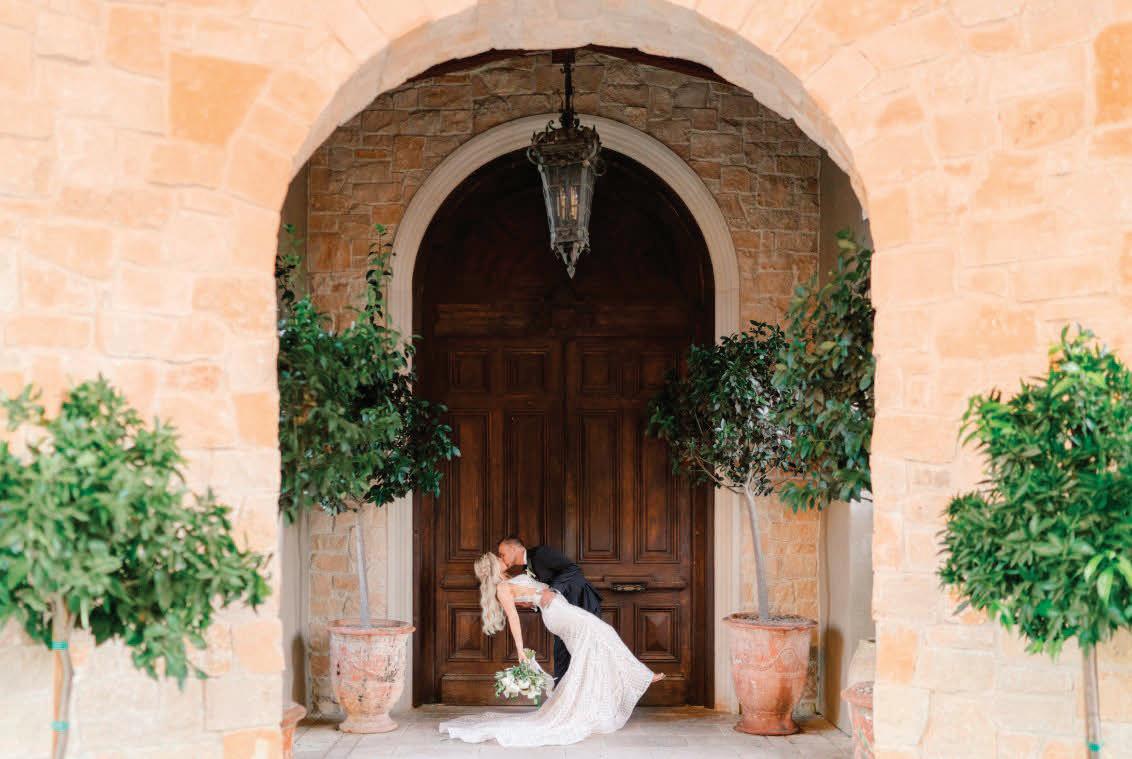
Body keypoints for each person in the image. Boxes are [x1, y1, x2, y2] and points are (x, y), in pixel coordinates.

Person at [438, 552, 665, 747]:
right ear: (493, 565)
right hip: (558, 613)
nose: (501, 557)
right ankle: (640, 675)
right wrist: (520, 650)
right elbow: (514, 619)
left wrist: (531, 598)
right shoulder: (502, 588)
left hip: (558, 610)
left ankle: (592, 706)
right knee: (604, 632)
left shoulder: (508, 581)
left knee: (589, 653)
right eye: (497, 557)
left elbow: (531, 597)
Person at [496, 536, 601, 682]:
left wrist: (553, 590)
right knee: (561, 657)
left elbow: (573, 569)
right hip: (561, 615)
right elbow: (542, 594)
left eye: (502, 554)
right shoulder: (526, 569)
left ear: (513, 548)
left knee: (587, 655)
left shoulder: (541, 554)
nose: (502, 558)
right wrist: (533, 605)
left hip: (582, 603)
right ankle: (562, 693)